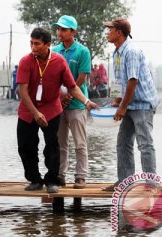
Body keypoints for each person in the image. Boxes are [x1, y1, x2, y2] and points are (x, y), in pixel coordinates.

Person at [16, 27, 97, 193]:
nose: (33, 47)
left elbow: (72, 87)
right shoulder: (26, 61)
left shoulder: (59, 61)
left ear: (48, 45)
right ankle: (35, 179)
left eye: (37, 44)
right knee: (26, 146)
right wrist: (35, 113)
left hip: (51, 108)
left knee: (53, 145)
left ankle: (52, 180)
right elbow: (22, 91)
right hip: (28, 109)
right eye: (31, 43)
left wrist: (87, 101)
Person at [102, 18, 158, 191]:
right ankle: (125, 182)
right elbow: (120, 80)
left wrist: (122, 106)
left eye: (110, 29)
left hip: (142, 104)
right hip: (129, 103)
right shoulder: (117, 52)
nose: (107, 32)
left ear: (119, 32)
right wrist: (117, 100)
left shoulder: (131, 51)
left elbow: (133, 81)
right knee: (123, 142)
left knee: (145, 143)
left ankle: (151, 185)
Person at [52, 15, 92, 189]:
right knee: (60, 143)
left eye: (64, 29)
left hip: (76, 105)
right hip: (57, 105)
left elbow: (81, 78)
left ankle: (80, 176)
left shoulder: (82, 51)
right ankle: (60, 175)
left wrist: (69, 96)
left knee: (79, 143)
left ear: (73, 32)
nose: (59, 32)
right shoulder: (54, 50)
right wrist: (60, 99)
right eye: (58, 29)